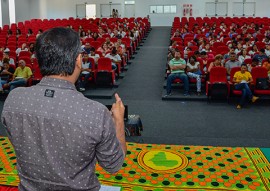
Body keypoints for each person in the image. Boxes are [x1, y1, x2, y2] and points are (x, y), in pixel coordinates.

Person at [1, 27, 126, 190]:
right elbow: (114, 165)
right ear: (79, 60)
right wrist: (118, 122)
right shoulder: (95, 112)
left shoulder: (13, 100)